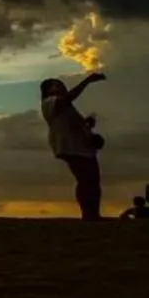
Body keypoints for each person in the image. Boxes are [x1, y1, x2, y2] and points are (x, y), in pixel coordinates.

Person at [41, 72, 106, 219]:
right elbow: (67, 99)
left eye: (59, 84)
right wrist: (87, 80)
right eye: (54, 85)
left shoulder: (67, 107)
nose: (58, 86)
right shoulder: (49, 102)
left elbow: (74, 125)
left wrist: (87, 124)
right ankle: (89, 214)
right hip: (71, 146)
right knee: (85, 180)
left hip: (82, 146)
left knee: (92, 180)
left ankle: (93, 213)